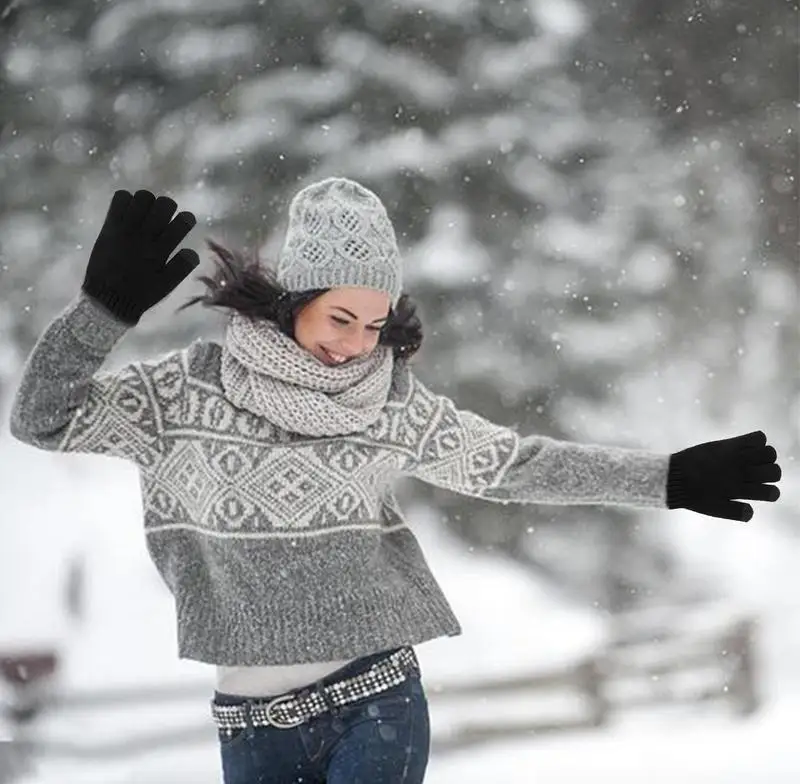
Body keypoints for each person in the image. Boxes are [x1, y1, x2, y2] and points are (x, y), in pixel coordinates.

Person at [9, 179, 782, 784]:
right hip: (249, 722)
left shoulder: (386, 404)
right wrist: (99, 315)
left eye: (375, 325)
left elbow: (513, 466)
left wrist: (669, 477)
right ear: (294, 299)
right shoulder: (184, 393)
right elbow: (40, 418)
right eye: (340, 318)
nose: (357, 345)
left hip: (373, 700)